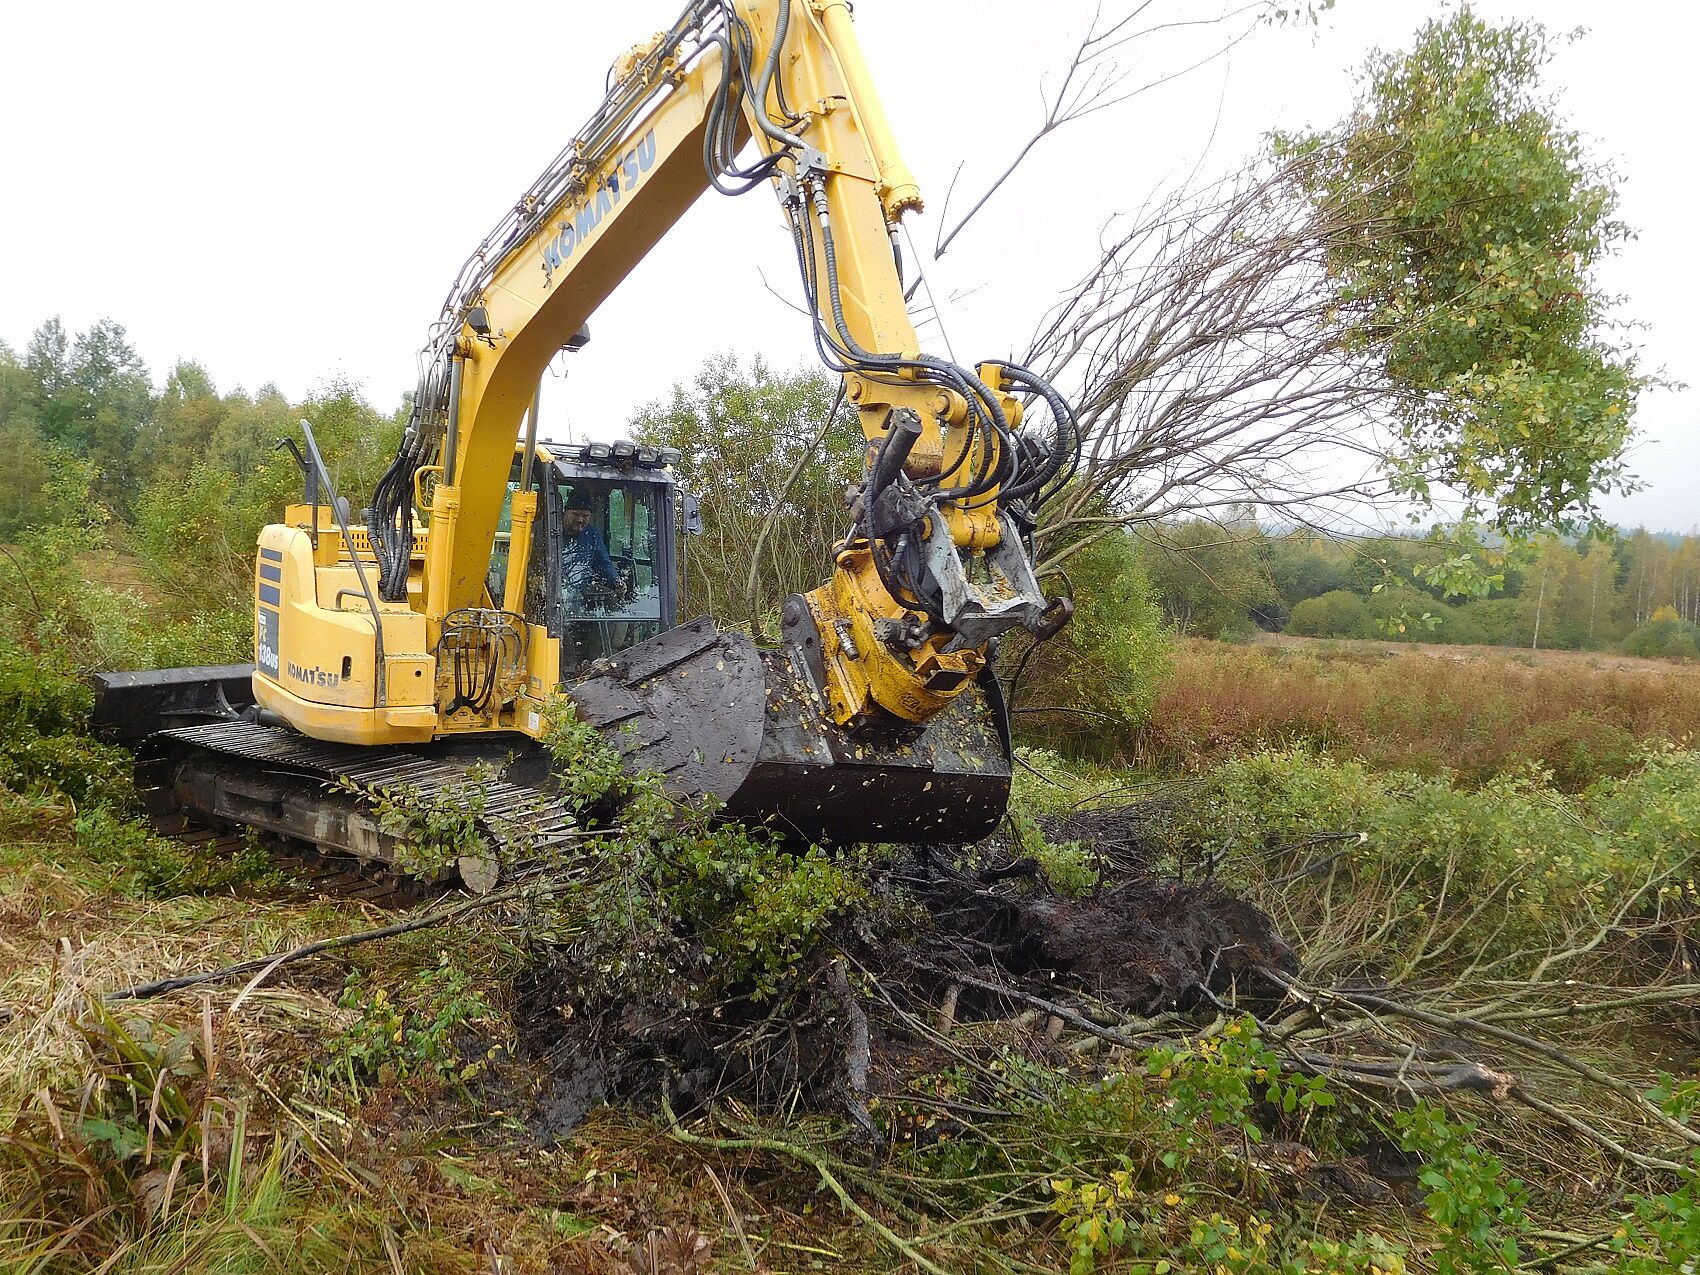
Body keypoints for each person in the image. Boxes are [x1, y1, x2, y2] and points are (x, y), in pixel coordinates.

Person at [560, 486, 624, 609]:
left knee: (612, 599)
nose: (580, 520)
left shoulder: (592, 534)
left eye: (585, 516)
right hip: (556, 593)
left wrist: (615, 580)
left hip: (584, 592)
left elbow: (603, 563)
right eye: (576, 514)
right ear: (565, 512)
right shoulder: (546, 531)